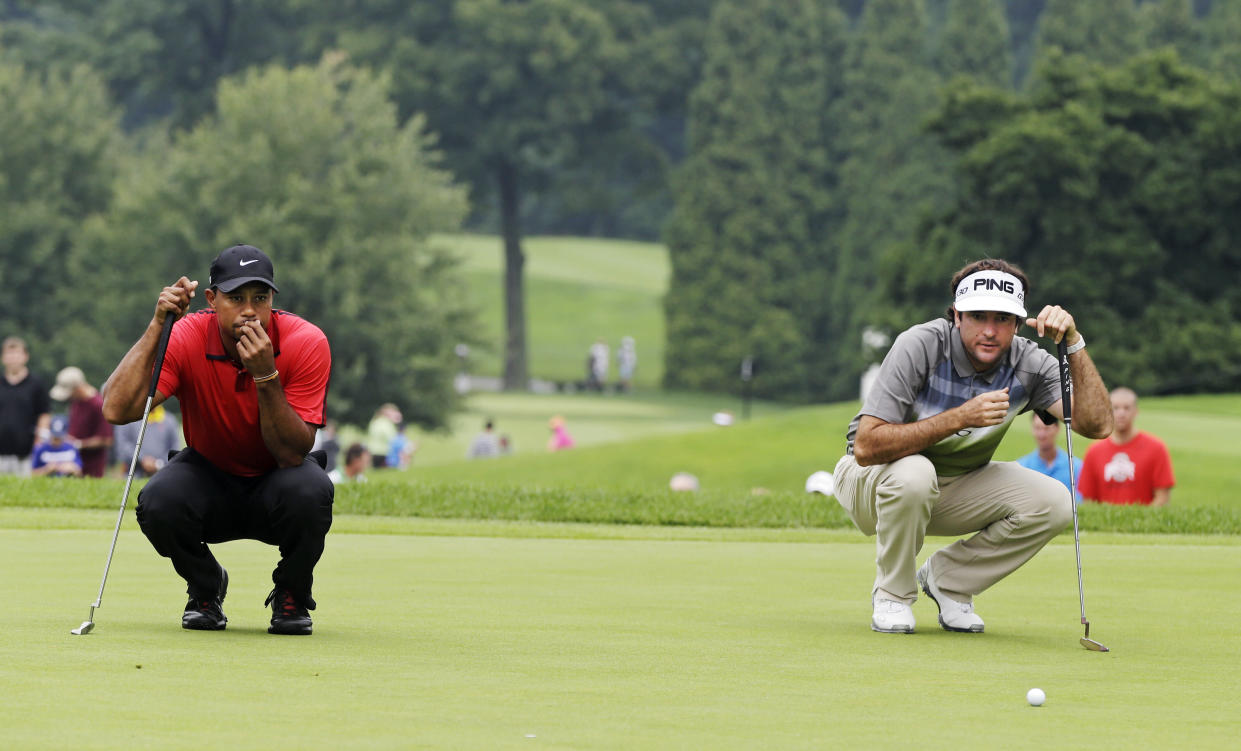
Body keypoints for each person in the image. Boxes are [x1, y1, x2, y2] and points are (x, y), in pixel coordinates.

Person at [832, 259, 1112, 635]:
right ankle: (893, 596)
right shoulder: (921, 345)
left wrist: (1074, 344)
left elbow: (1098, 425)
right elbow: (866, 446)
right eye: (978, 316)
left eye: (1003, 319)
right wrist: (959, 418)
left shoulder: (1029, 362)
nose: (990, 331)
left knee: (1055, 501)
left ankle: (949, 582)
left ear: (1017, 324)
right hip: (870, 481)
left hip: (954, 485)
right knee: (916, 474)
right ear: (957, 317)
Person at [101, 244, 333, 635]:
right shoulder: (187, 334)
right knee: (159, 502)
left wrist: (265, 376)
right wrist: (159, 324)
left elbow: (292, 453)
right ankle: (206, 586)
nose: (248, 310)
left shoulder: (306, 342)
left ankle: (291, 591)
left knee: (311, 491)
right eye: (235, 298)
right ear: (211, 300)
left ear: (273, 299)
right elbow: (116, 409)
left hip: (278, 475)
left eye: (260, 298)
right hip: (208, 472)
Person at [1078, 387, 1174, 506]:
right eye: (1116, 408)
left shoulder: (1156, 448)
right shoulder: (1094, 451)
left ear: (1136, 412)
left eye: (1127, 408)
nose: (1121, 413)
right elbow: (1088, 500)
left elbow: (1163, 497)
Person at [50, 366, 114, 478]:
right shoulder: (76, 403)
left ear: (78, 388)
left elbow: (107, 440)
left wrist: (78, 444)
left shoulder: (98, 405)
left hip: (92, 468)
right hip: (72, 465)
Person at [1, 336, 51, 477]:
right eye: (9, 354)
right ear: (3, 358)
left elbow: (44, 414)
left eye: (16, 354)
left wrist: (40, 441)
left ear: (25, 356)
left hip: (26, 453)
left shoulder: (36, 384)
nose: (13, 359)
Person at [1016, 412, 1083, 503]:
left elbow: (1081, 503)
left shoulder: (1076, 467)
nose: (1042, 434)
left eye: (1046, 429)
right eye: (1037, 428)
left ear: (1057, 429)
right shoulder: (1021, 468)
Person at [112, 404, 183, 478]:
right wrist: (142, 459)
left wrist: (158, 463)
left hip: (162, 475)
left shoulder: (170, 420)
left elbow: (175, 448)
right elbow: (122, 445)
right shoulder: (129, 418)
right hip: (133, 475)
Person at [366, 403, 400, 468]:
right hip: (384, 452)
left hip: (372, 451)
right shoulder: (386, 423)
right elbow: (392, 438)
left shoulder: (374, 421)